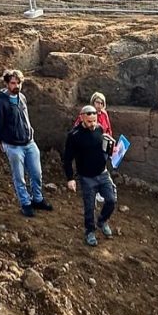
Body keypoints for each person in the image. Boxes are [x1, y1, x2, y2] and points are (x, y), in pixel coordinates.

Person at [0, 69, 52, 218]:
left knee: (36, 173)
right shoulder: (1, 102)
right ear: (6, 84)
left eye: (18, 83)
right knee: (19, 177)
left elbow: (26, 118)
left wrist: (30, 131)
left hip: (29, 143)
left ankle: (37, 199)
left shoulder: (22, 98)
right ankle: (25, 203)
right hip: (13, 146)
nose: (16, 85)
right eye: (13, 83)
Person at [63, 105, 117, 246]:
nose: (93, 124)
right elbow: (67, 159)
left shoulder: (99, 128)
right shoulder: (74, 136)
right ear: (82, 118)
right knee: (89, 207)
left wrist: (112, 150)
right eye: (89, 122)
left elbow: (103, 147)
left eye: (94, 121)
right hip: (86, 177)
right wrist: (70, 179)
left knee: (111, 200)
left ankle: (102, 221)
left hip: (103, 173)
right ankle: (90, 231)